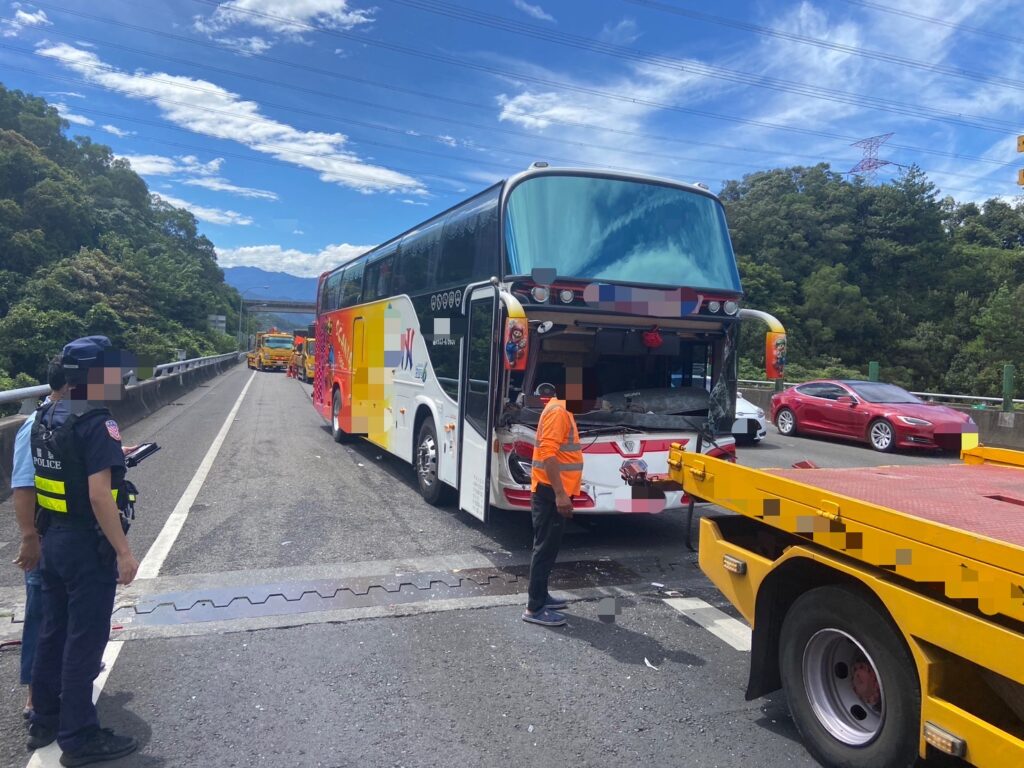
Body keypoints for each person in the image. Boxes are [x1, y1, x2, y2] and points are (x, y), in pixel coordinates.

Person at [27, 336, 140, 766]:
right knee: (84, 641)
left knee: (52, 632)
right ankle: (79, 736)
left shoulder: (45, 414)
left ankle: (44, 717)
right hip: (83, 546)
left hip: (52, 538)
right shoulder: (96, 421)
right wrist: (124, 552)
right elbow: (98, 495)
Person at [522, 375, 584, 627]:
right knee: (545, 549)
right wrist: (560, 494)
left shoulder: (561, 408)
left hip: (551, 489)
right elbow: (548, 454)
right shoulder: (559, 412)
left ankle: (541, 596)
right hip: (550, 491)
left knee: (547, 547)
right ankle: (534, 608)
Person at [11, 402, 44, 719]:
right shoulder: (36, 425)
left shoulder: (82, 417)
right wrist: (29, 537)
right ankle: (35, 697)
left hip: (75, 536)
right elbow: (23, 485)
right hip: (46, 536)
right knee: (41, 614)